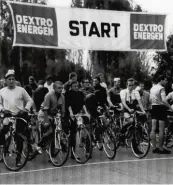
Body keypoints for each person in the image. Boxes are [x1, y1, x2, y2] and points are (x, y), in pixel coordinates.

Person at [0, 69, 33, 166]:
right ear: (6, 81)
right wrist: (2, 109)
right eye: (9, 79)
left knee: (19, 137)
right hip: (7, 115)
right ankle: (3, 151)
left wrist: (25, 109)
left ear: (15, 80)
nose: (11, 81)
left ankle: (18, 159)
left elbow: (30, 100)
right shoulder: (2, 91)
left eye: (13, 79)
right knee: (3, 132)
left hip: (19, 116)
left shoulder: (21, 90)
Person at [37, 81, 65, 153]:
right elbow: (45, 109)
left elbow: (63, 110)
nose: (60, 90)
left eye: (61, 88)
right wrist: (46, 121)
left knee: (58, 129)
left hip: (53, 114)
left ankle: (55, 148)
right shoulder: (48, 95)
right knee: (51, 130)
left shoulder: (62, 97)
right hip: (43, 114)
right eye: (59, 88)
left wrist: (62, 118)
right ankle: (39, 144)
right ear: (54, 88)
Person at [65, 81, 90, 159]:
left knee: (87, 129)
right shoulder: (68, 93)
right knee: (73, 134)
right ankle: (73, 153)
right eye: (74, 86)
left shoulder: (80, 93)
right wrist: (71, 113)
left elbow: (83, 104)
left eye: (77, 86)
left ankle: (88, 152)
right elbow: (68, 104)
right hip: (72, 114)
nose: (76, 87)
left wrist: (86, 113)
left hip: (79, 114)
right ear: (71, 87)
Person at [150, 75, 173, 154]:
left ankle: (154, 148)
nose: (166, 82)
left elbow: (150, 99)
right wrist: (170, 107)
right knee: (161, 129)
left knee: (153, 128)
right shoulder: (161, 88)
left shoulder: (152, 88)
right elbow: (164, 100)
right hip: (160, 108)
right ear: (161, 80)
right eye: (165, 80)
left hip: (153, 107)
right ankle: (160, 148)